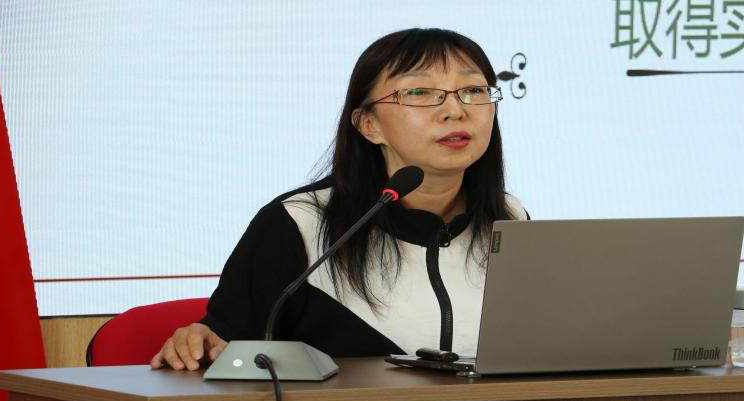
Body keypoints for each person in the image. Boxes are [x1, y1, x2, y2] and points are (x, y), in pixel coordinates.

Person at [151, 28, 527, 371]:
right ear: (368, 124)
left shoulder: (509, 219)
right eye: (419, 92)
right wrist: (201, 340)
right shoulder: (298, 224)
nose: (455, 110)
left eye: (474, 90)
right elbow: (224, 350)